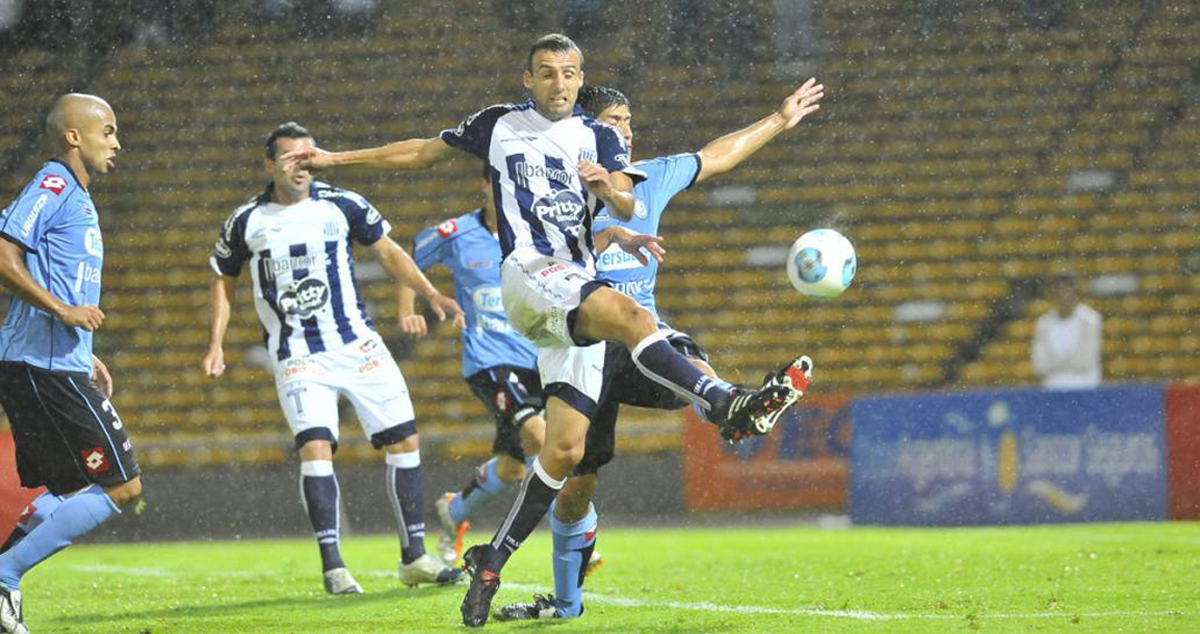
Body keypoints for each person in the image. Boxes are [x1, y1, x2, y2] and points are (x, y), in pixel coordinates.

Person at [280, 34, 805, 627]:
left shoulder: (601, 140)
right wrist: (334, 160)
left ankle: (490, 563)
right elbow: (423, 151)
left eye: (569, 73)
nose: (559, 83)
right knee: (637, 320)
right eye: (548, 73)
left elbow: (630, 202)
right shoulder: (499, 125)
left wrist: (611, 194)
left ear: (580, 80)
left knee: (563, 452)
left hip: (571, 302)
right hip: (532, 277)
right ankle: (726, 404)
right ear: (528, 79)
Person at [496, 80, 824, 620]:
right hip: (584, 351)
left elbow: (716, 156)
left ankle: (733, 407)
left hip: (644, 339)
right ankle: (565, 605)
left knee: (684, 354)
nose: (626, 130)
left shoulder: (650, 177)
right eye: (614, 121)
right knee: (577, 489)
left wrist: (778, 119)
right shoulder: (555, 192)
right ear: (586, 131)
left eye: (628, 120)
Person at [200, 122, 466, 595]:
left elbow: (389, 252)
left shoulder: (343, 204)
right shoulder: (246, 221)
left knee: (405, 442)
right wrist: (216, 342)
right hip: (297, 353)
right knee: (317, 447)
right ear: (269, 165)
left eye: (309, 156)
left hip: (357, 343)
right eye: (290, 158)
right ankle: (334, 566)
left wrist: (429, 293)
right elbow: (224, 279)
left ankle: (414, 558)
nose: (302, 165)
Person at [0, 93, 136, 634]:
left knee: (67, 492)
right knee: (122, 489)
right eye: (108, 129)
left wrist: (85, 351)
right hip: (41, 366)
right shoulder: (54, 184)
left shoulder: (75, 196)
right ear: (74, 135)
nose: (117, 141)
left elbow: (58, 278)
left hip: (55, 361)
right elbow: (3, 252)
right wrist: (63, 311)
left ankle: (4, 582)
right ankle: (3, 577)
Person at [400, 165, 547, 566]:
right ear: (484, 184)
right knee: (541, 435)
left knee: (513, 467)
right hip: (489, 360)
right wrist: (407, 307)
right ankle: (573, 532)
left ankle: (454, 511)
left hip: (539, 358)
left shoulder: (539, 233)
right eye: (500, 183)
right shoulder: (457, 232)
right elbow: (407, 258)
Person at [1031, 273, 1102, 390]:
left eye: (1067, 289)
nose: (1063, 294)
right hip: (1053, 388)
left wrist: (1056, 364)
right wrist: (1069, 363)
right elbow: (1040, 365)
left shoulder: (1090, 320)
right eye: (1059, 289)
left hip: (1085, 387)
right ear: (1053, 293)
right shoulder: (1044, 323)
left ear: (1075, 291)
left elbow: (1086, 361)